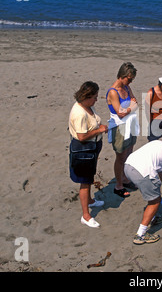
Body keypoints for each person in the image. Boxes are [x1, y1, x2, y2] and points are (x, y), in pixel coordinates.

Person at [69, 81, 108, 228]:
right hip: (83, 149)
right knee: (84, 182)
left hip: (92, 148)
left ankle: (90, 200)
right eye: (95, 97)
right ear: (86, 96)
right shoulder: (79, 113)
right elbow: (81, 136)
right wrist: (99, 130)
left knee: (89, 176)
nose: (96, 100)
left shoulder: (87, 106)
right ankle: (86, 215)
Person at [106, 62, 139, 198]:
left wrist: (130, 108)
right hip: (119, 127)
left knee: (129, 153)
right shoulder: (113, 92)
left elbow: (135, 102)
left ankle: (125, 178)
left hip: (130, 124)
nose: (130, 82)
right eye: (129, 79)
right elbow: (121, 113)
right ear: (122, 76)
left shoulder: (126, 87)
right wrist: (131, 108)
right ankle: (118, 184)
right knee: (120, 156)